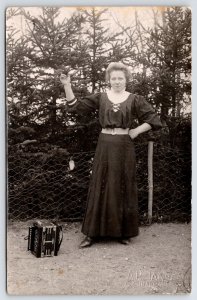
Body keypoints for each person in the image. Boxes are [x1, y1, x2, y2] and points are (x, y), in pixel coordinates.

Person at [60, 62, 162, 248]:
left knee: (122, 185)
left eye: (120, 78)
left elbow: (154, 120)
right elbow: (75, 107)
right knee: (100, 184)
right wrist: (67, 85)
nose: (116, 81)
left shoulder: (134, 99)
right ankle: (92, 234)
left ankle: (123, 232)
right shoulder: (101, 97)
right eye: (113, 78)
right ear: (109, 79)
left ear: (126, 80)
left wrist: (136, 131)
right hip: (105, 145)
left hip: (124, 146)